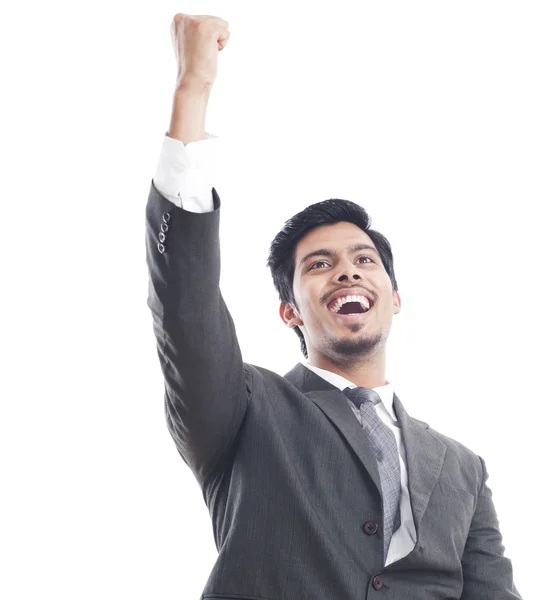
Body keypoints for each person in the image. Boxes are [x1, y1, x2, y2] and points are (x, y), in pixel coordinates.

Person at [145, 13, 522, 600]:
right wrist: (192, 88)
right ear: (290, 311)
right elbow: (184, 306)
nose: (347, 268)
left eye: (365, 259)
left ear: (394, 299)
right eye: (318, 265)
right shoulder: (244, 409)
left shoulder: (462, 467)